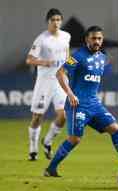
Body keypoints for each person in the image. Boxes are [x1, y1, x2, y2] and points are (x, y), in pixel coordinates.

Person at [44, 25, 118, 177]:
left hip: (95, 104)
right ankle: (50, 169)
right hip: (77, 105)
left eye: (99, 38)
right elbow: (60, 73)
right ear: (87, 39)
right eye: (94, 38)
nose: (97, 41)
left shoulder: (102, 57)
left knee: (116, 130)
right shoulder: (77, 56)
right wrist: (70, 94)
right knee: (75, 139)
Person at [26, 8, 71, 161]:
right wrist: (44, 62)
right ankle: (33, 148)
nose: (56, 22)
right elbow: (29, 59)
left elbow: (67, 55)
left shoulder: (66, 36)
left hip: (60, 81)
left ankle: (47, 141)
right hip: (44, 82)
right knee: (38, 116)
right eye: (53, 20)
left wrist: (71, 66)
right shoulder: (42, 39)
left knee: (63, 115)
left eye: (59, 19)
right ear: (48, 22)